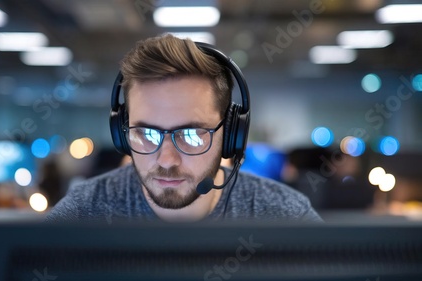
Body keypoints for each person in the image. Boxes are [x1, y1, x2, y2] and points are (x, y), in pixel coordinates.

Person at [46, 35, 322, 223]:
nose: (166, 160)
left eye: (190, 134)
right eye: (146, 133)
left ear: (230, 135)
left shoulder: (283, 215)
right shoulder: (83, 213)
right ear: (122, 133)